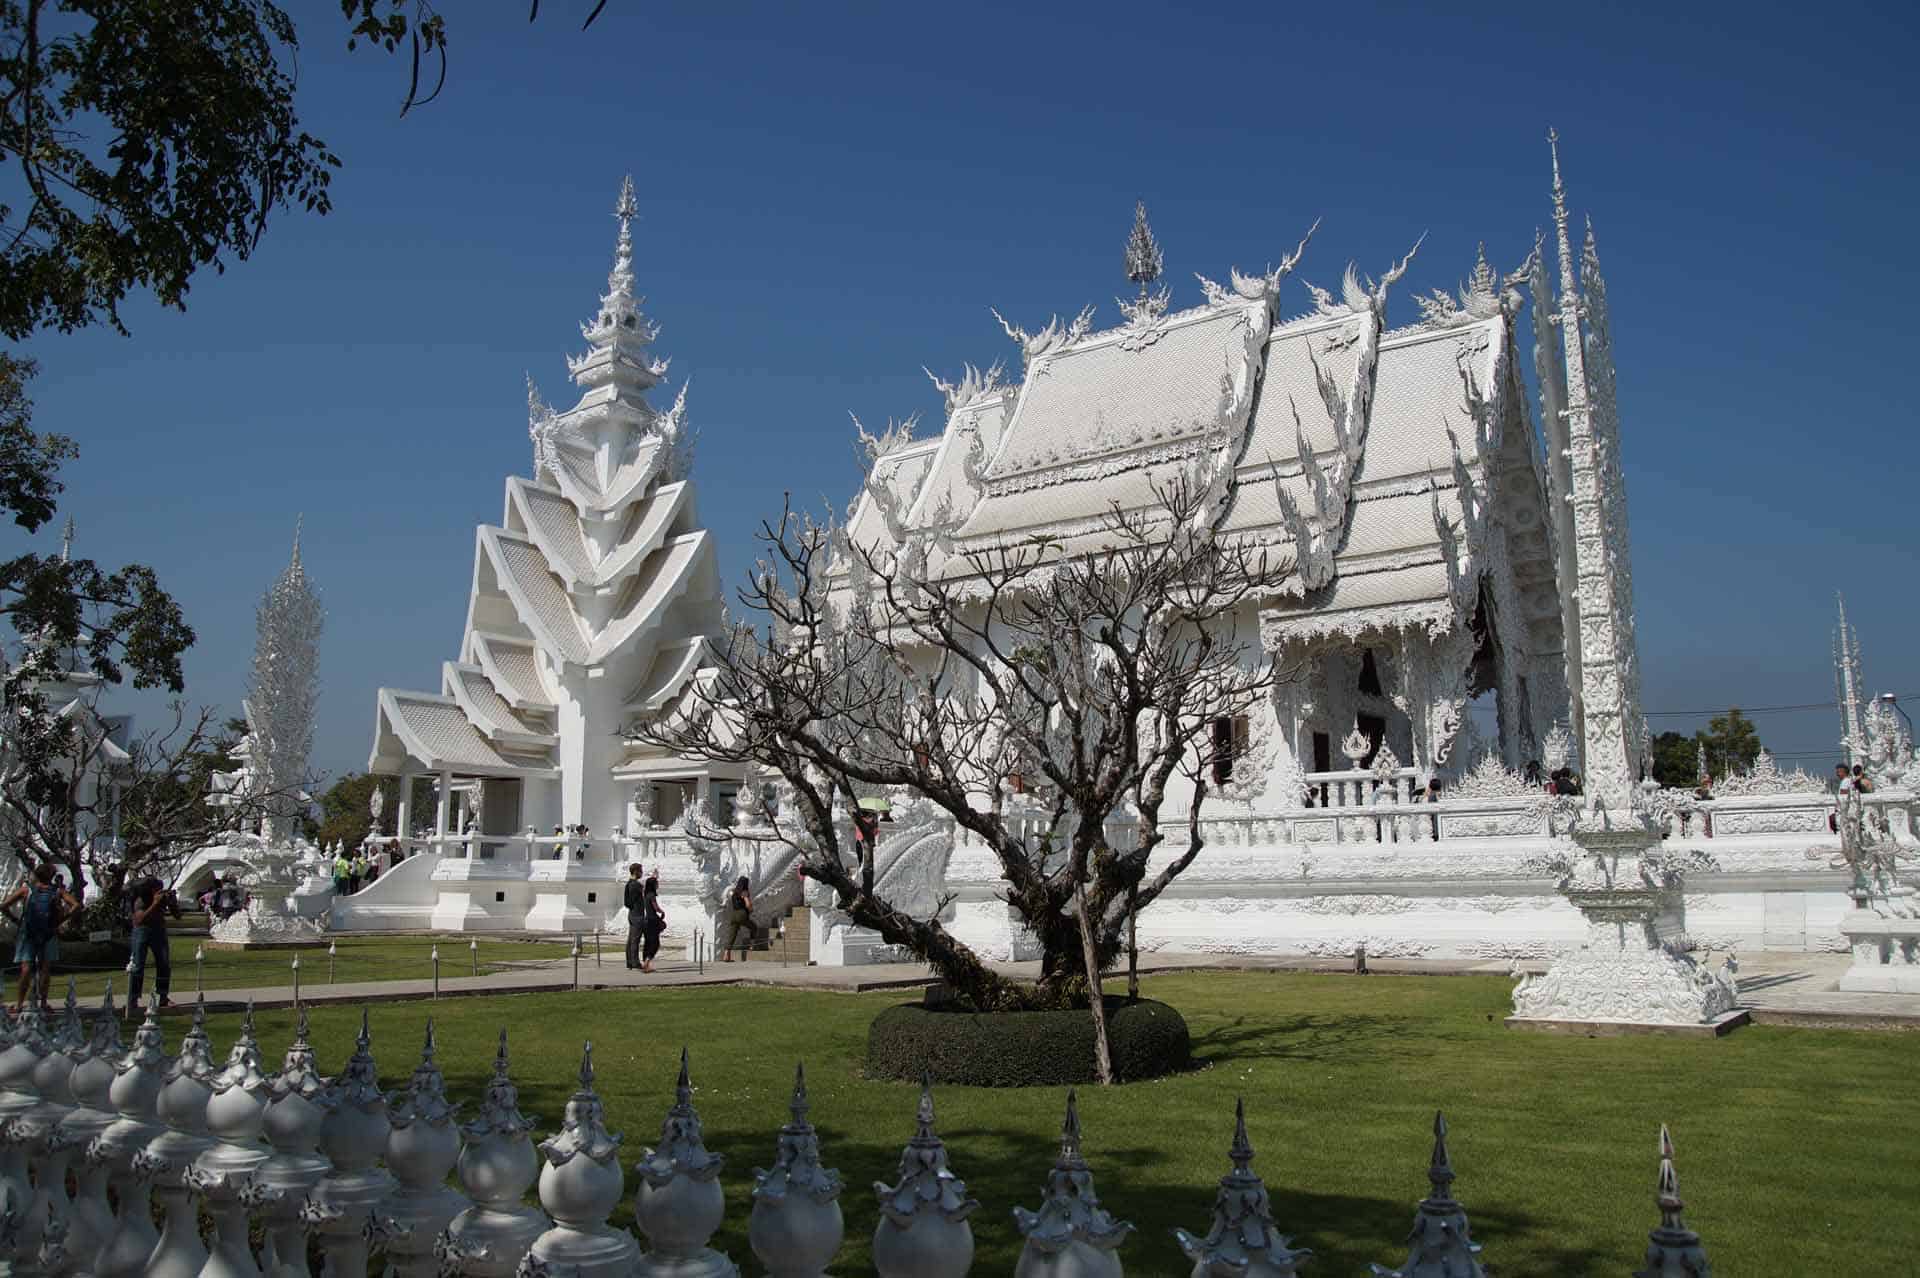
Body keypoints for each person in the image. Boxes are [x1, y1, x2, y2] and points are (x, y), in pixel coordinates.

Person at [5, 863, 79, 1013]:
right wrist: (61, 919)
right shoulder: (57, 891)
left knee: (25, 969)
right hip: (48, 933)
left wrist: (15, 919)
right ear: (51, 876)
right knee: (45, 969)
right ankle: (44, 1003)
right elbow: (76, 905)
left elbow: (3, 906)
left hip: (28, 933)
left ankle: (19, 1004)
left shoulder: (27, 890)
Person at [126, 874, 180, 1020]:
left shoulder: (162, 898)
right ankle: (133, 999)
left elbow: (178, 916)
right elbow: (139, 920)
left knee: (163, 964)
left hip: (159, 930)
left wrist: (173, 903)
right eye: (156, 888)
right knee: (137, 965)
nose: (159, 891)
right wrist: (155, 904)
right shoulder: (140, 900)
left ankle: (163, 996)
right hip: (142, 931)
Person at [721, 875, 753, 962]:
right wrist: (750, 908)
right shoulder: (744, 892)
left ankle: (726, 955)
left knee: (732, 934)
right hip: (742, 914)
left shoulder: (734, 892)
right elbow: (748, 905)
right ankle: (751, 945)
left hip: (734, 914)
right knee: (753, 927)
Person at [640, 870, 666, 973]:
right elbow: (656, 907)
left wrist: (654, 876)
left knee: (647, 942)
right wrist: (662, 911)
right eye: (656, 883)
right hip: (653, 921)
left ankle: (645, 963)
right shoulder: (652, 895)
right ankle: (647, 961)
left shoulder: (645, 895)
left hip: (647, 920)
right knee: (655, 943)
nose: (658, 884)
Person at [623, 863, 646, 970]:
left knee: (631, 939)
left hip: (632, 914)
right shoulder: (635, 885)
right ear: (636, 871)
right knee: (635, 940)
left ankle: (629, 962)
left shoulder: (629, 884)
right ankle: (635, 962)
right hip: (637, 915)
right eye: (640, 871)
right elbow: (645, 889)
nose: (641, 873)